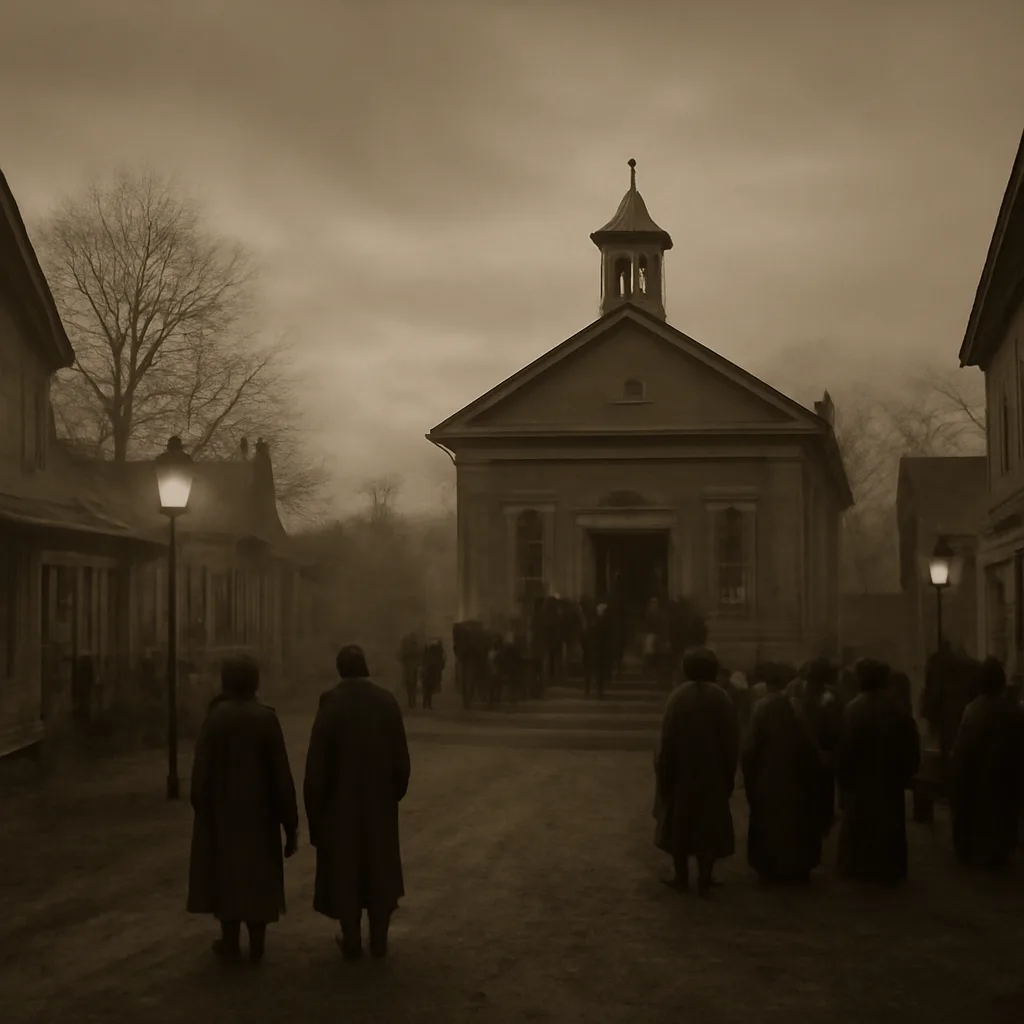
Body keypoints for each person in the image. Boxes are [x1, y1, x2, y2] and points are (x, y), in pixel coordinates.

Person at [186, 655, 299, 964]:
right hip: (260, 818)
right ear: (255, 683)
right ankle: (258, 944)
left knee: (227, 879)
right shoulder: (266, 719)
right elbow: (281, 776)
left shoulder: (215, 719)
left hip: (222, 817)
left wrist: (202, 806)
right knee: (258, 879)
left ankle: (231, 941)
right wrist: (290, 824)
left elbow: (200, 773)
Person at [304, 644, 411, 960]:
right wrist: (391, 793)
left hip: (340, 807)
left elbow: (316, 768)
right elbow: (402, 762)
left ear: (340, 670)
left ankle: (351, 940)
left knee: (345, 872)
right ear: (366, 668)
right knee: (380, 870)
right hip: (379, 805)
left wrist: (315, 813)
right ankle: (379, 940)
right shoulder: (386, 701)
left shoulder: (330, 704)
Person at [654, 646, 740, 897]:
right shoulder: (721, 698)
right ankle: (705, 876)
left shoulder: (678, 697)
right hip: (712, 773)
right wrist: (728, 773)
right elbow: (730, 740)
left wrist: (664, 772)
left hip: (682, 772)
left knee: (680, 823)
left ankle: (681, 876)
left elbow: (667, 739)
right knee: (708, 825)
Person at [835, 658, 920, 885]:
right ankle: (888, 870)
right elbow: (911, 748)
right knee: (888, 829)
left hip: (859, 784)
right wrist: (906, 775)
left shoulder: (852, 710)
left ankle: (858, 868)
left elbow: (844, 751)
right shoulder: (898, 710)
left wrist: (843, 780)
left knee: (859, 828)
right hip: (889, 783)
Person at [742, 665, 829, 884]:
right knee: (798, 821)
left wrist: (749, 776)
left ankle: (770, 868)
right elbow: (813, 745)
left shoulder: (762, 707)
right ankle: (799, 867)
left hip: (769, 776)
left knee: (770, 822)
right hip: (799, 778)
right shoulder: (799, 707)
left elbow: (751, 746)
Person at [950, 657, 1024, 870]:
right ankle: (999, 851)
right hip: (1006, 776)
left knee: (980, 814)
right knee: (1002, 815)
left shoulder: (973, 710)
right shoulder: (1013, 710)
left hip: (980, 776)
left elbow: (963, 749)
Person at [420, 637, 445, 710]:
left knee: (427, 688)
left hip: (428, 672)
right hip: (431, 672)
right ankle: (427, 704)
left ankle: (425, 704)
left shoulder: (429, 651)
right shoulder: (437, 652)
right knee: (429, 688)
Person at [398, 632, 421, 709]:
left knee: (411, 684)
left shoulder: (412, 647)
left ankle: (412, 701)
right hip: (410, 668)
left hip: (411, 668)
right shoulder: (412, 647)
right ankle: (411, 701)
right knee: (410, 684)